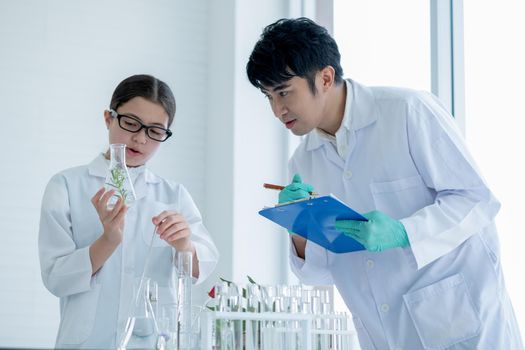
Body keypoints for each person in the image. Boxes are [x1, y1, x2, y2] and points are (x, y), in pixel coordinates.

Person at [247, 17, 523, 349]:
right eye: (268, 97)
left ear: (324, 78)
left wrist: (405, 231)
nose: (277, 110)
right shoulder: (302, 162)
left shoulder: (408, 112)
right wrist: (298, 227)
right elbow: (318, 275)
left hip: (464, 326)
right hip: (384, 336)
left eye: (283, 92)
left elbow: (475, 199)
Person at [38, 74, 219, 349]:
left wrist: (184, 245)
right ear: (109, 118)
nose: (140, 139)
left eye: (155, 131)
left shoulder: (173, 195)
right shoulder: (66, 186)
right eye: (131, 123)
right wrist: (107, 241)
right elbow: (55, 278)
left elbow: (200, 269)